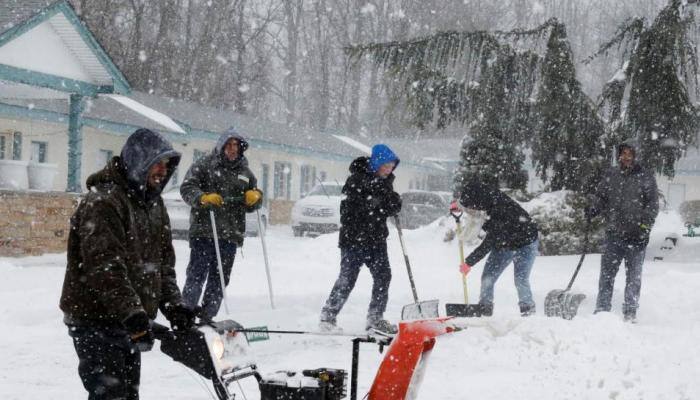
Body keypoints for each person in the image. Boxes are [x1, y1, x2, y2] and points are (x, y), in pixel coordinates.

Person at [60, 128, 195, 400]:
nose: (161, 170)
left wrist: (173, 305)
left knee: (127, 394)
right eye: (156, 162)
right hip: (94, 319)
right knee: (111, 394)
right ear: (138, 160)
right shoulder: (104, 202)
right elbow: (105, 267)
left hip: (126, 320)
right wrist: (133, 314)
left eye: (166, 164)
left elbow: (162, 265)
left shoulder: (153, 204)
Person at [180, 128, 263, 321]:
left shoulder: (245, 173)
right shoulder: (204, 165)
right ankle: (185, 316)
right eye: (229, 145)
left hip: (230, 234)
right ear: (221, 145)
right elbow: (187, 188)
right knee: (196, 275)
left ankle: (208, 317)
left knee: (220, 279)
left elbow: (254, 201)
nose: (232, 149)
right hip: (204, 231)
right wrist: (201, 198)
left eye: (236, 145)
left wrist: (256, 197)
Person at [319, 144, 402, 333]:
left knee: (383, 276)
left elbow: (388, 206)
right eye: (386, 165)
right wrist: (372, 205)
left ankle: (375, 318)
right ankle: (328, 317)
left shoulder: (386, 182)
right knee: (347, 278)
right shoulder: (357, 179)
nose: (389, 169)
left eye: (392, 166)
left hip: (376, 239)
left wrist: (394, 203)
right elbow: (349, 213)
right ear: (377, 163)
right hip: (354, 239)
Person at [587, 141, 658, 322]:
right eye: (623, 153)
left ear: (636, 155)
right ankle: (602, 310)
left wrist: (644, 229)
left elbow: (652, 205)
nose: (626, 157)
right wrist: (594, 207)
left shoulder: (646, 177)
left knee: (633, 278)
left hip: (636, 237)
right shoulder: (611, 174)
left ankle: (630, 312)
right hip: (614, 235)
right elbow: (601, 196)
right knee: (606, 275)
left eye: (629, 153)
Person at [458, 179, 539, 317]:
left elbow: (488, 243)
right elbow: (475, 216)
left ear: (477, 201)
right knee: (488, 277)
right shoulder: (488, 199)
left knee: (521, 279)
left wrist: (469, 262)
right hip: (504, 244)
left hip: (526, 243)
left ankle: (528, 312)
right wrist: (458, 205)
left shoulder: (500, 210)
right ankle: (485, 309)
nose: (471, 211)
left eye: (471, 207)